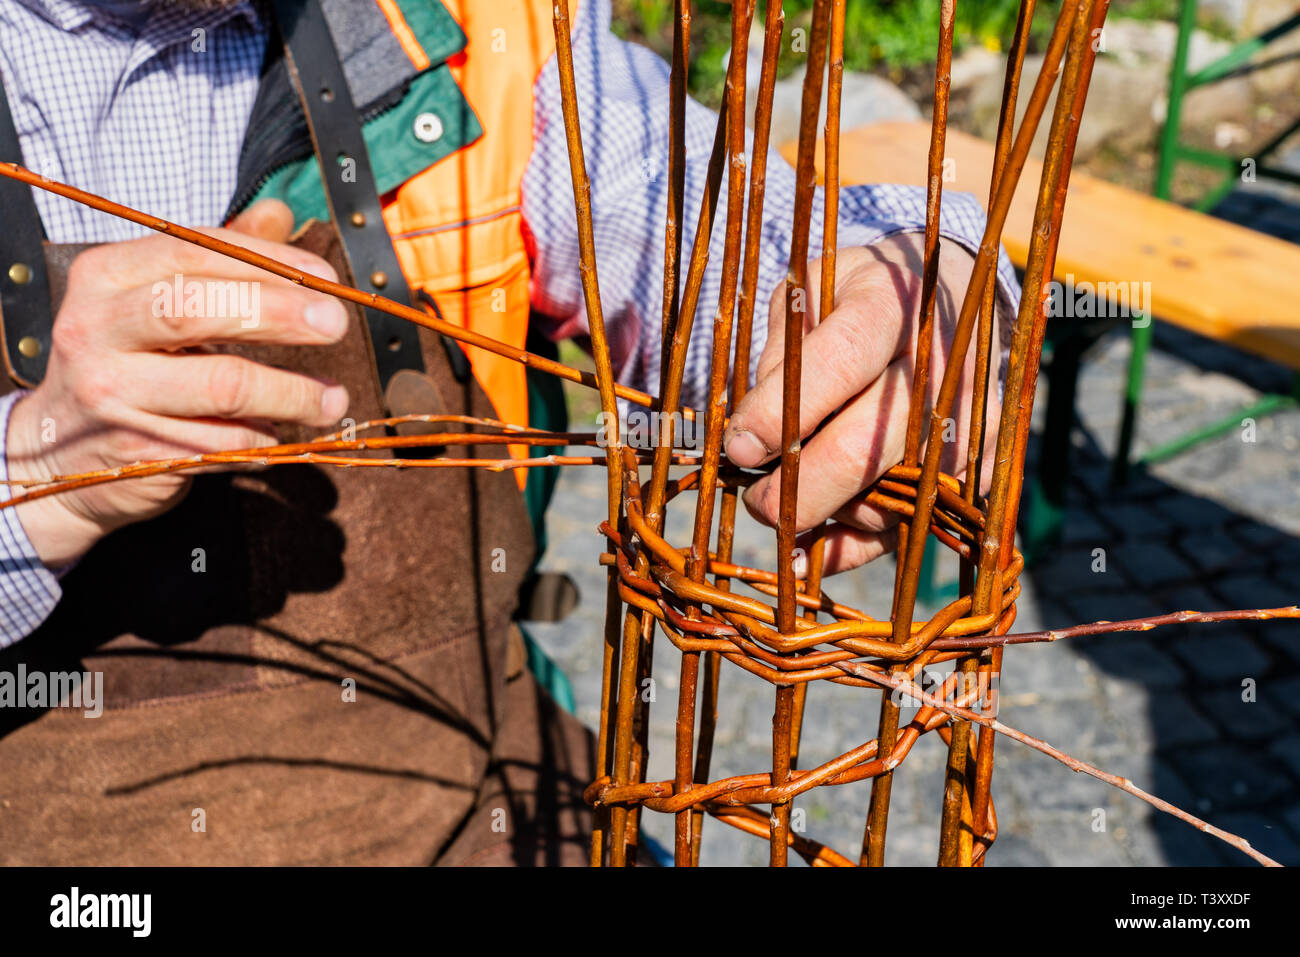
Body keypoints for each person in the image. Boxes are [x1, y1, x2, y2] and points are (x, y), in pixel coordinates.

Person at [0, 0, 1018, 864]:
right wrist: (34, 474)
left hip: (485, 809)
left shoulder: (473, 22)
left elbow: (714, 232)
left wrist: (889, 293)